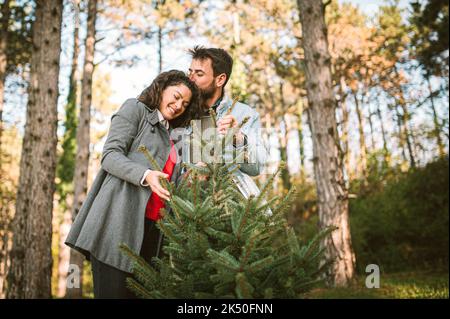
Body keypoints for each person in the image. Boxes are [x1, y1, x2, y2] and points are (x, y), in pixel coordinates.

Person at [65, 70, 200, 298]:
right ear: (161, 87)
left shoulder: (176, 136)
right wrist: (145, 174)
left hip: (155, 232)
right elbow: (109, 156)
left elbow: (175, 182)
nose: (178, 105)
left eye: (185, 104)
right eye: (176, 96)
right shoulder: (135, 109)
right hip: (118, 225)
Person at [185, 46, 268, 198]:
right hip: (185, 210)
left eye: (199, 74)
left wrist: (238, 137)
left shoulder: (246, 114)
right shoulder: (179, 111)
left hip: (232, 209)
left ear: (220, 79)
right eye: (190, 72)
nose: (191, 78)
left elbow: (257, 167)